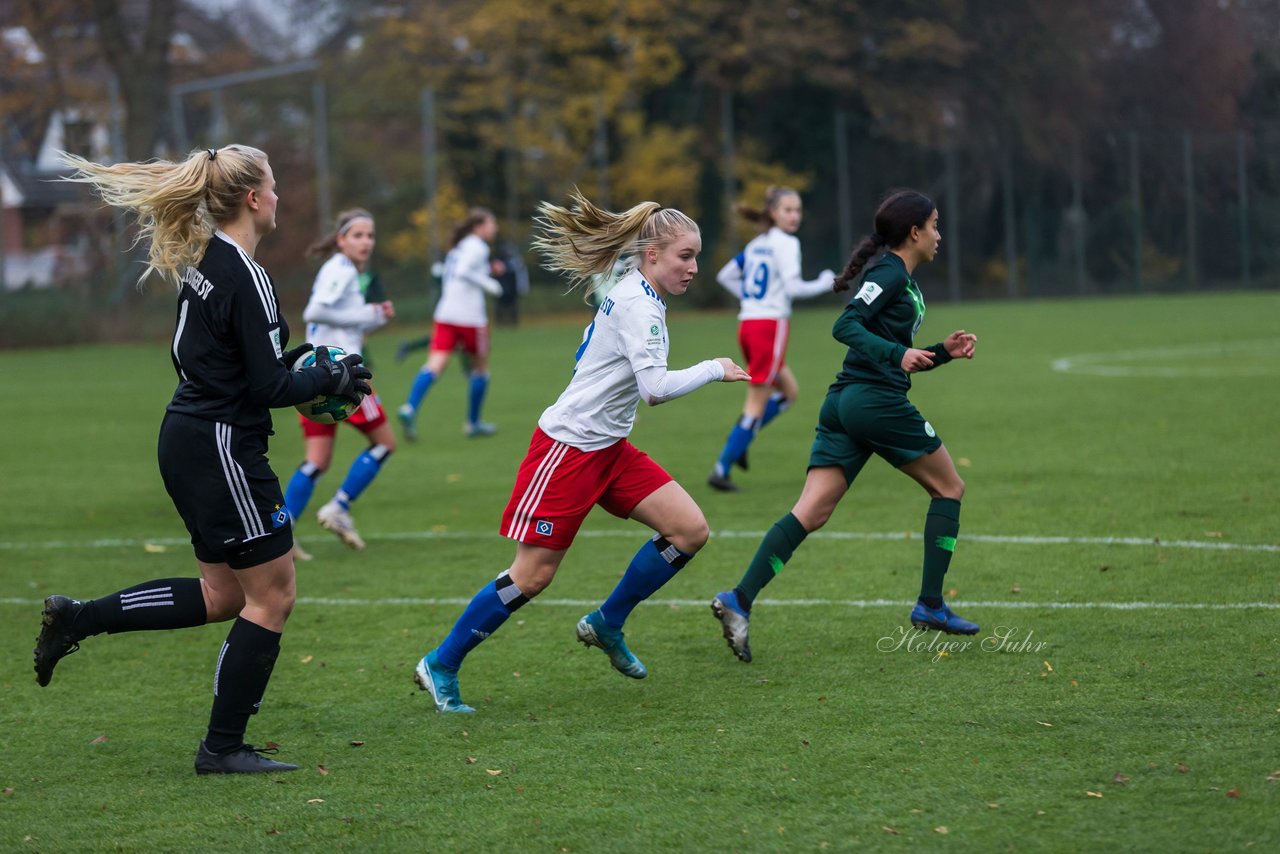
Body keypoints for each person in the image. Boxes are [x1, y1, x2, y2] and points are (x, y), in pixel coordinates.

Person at [32, 145, 371, 774]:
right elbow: (269, 387)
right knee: (272, 597)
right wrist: (327, 382)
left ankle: (80, 618)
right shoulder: (247, 273)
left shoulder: (210, 259)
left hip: (189, 436)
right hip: (221, 447)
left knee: (220, 593)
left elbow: (249, 361)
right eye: (273, 185)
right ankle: (221, 748)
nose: (278, 196)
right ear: (252, 198)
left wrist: (308, 365)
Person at [412, 189, 749, 713]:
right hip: (568, 449)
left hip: (610, 447)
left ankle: (606, 622)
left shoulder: (638, 291)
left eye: (696, 256)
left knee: (688, 531)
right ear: (653, 254)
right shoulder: (639, 303)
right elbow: (654, 389)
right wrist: (714, 367)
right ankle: (441, 662)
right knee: (532, 576)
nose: (694, 267)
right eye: (686, 256)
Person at [710, 189, 980, 663]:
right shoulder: (889, 272)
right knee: (949, 488)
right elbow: (847, 325)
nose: (940, 235)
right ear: (914, 233)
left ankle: (739, 600)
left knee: (810, 512)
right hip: (873, 402)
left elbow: (893, 350)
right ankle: (931, 605)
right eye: (935, 225)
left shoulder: (902, 279)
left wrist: (941, 352)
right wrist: (897, 354)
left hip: (846, 403)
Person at [284, 208, 396, 556]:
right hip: (344, 377)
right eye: (358, 235)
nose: (366, 242)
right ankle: (339, 508)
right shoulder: (341, 270)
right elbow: (314, 312)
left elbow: (341, 324)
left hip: (316, 374)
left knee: (317, 460)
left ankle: (280, 534)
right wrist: (367, 314)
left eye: (370, 235)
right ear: (341, 239)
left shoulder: (340, 270)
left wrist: (375, 317)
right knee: (384, 444)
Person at [707, 187, 835, 491]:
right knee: (755, 403)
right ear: (773, 213)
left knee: (789, 392)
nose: (793, 216)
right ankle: (721, 469)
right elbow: (793, 289)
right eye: (787, 210)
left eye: (797, 210)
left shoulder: (757, 244)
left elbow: (725, 276)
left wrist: (751, 301)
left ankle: (743, 438)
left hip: (749, 325)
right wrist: (824, 282)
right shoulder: (786, 244)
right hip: (769, 328)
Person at [397, 207, 504, 440]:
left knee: (434, 365)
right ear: (480, 227)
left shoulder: (461, 246)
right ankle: (473, 424)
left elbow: (458, 271)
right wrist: (489, 284)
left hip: (446, 313)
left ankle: (409, 407)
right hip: (470, 317)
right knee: (481, 370)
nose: (494, 227)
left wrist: (487, 270)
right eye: (491, 223)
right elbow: (465, 271)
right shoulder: (478, 246)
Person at [492, 238, 529, 326]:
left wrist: (522, 287)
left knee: (513, 307)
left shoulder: (515, 261)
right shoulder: (498, 260)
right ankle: (500, 323)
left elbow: (521, 275)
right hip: (501, 288)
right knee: (500, 307)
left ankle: (513, 323)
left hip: (512, 289)